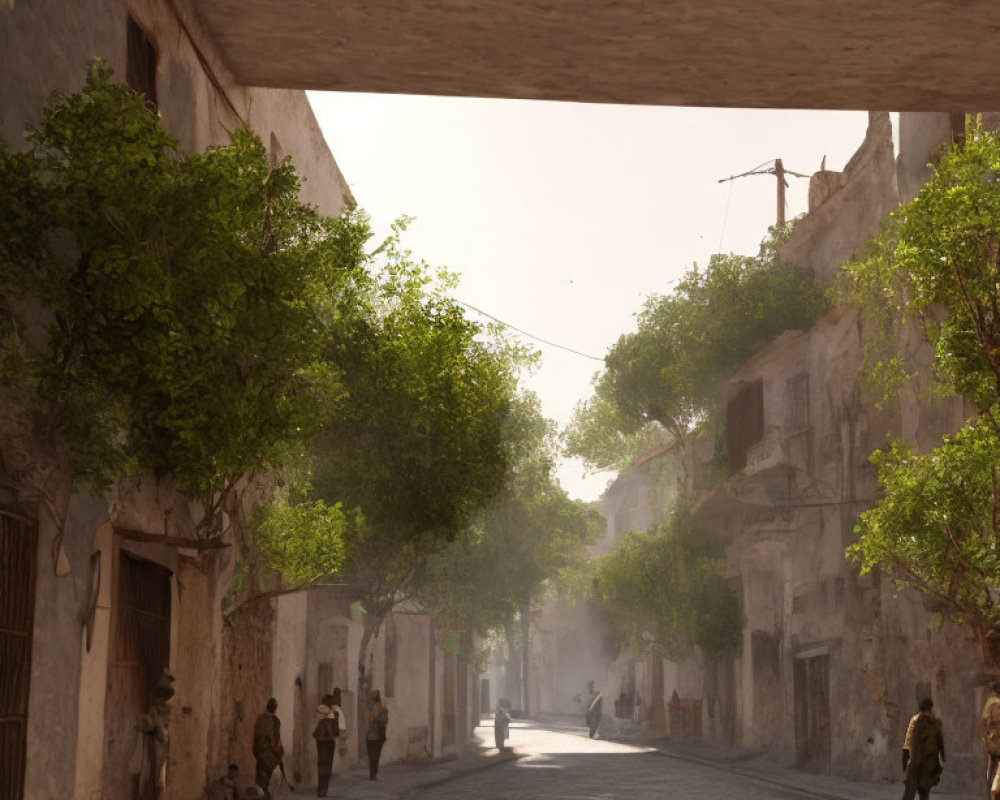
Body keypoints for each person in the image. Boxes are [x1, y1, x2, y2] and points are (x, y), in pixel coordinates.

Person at [129, 668, 174, 799]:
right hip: (153, 745)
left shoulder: (168, 711)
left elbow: (167, 729)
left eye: (164, 695)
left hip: (163, 745)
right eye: (161, 694)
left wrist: (162, 732)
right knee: (150, 773)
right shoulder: (154, 711)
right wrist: (152, 728)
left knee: (159, 775)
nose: (162, 698)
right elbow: (148, 726)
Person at [901, 697, 945, 800]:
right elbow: (940, 745)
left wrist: (904, 759)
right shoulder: (936, 722)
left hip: (915, 762)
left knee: (909, 793)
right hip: (929, 763)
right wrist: (940, 763)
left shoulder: (915, 720)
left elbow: (908, 742)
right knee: (924, 793)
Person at [313, 690, 345, 797]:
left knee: (321, 765)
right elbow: (337, 732)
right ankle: (324, 790)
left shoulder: (321, 721)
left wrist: (318, 735)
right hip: (330, 743)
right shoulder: (334, 718)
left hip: (321, 743)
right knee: (327, 766)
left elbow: (315, 734)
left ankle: (320, 790)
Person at [253, 698, 283, 799]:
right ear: (274, 708)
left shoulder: (259, 718)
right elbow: (275, 740)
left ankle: (262, 792)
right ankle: (264, 793)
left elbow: (256, 735)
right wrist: (278, 751)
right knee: (266, 772)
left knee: (260, 771)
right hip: (268, 750)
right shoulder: (275, 720)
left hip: (258, 749)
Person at [978, 682, 1000, 798]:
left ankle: (991, 795)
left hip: (994, 743)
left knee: (991, 771)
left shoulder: (991, 703)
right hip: (995, 742)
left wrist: (984, 738)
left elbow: (983, 722)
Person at [365, 689, 389, 780]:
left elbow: (373, 721)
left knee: (372, 755)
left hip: (372, 735)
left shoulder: (374, 709)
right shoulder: (382, 708)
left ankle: (372, 774)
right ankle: (373, 774)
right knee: (376, 756)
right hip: (378, 736)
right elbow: (385, 721)